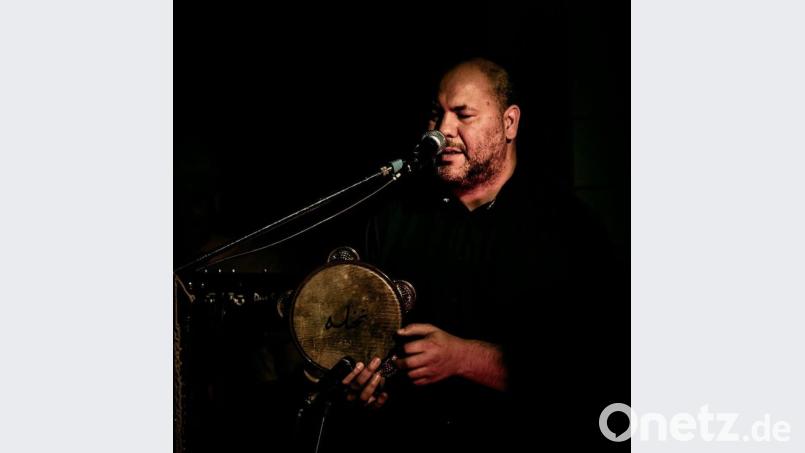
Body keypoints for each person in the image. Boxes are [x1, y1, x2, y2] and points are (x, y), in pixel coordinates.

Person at [320, 57, 621, 452]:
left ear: (509, 123)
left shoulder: (566, 225)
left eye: (463, 115)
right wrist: (369, 389)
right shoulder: (391, 220)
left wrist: (463, 358)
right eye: (436, 115)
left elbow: (594, 370)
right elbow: (360, 340)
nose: (443, 132)